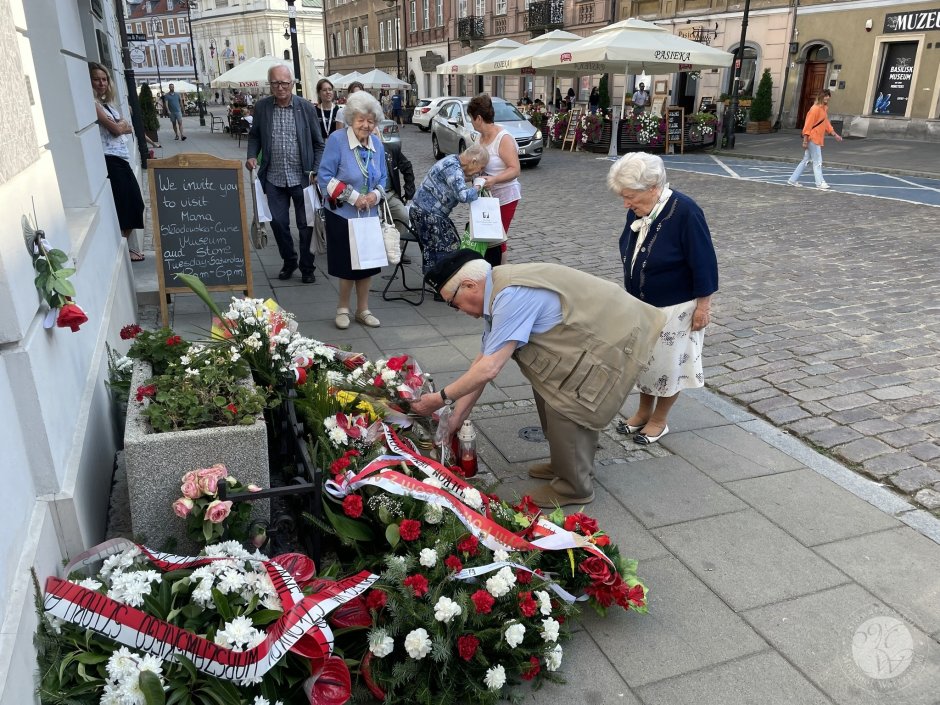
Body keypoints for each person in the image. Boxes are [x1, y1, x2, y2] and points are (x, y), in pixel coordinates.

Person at [412, 250, 666, 508]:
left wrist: (439, 399)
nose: (456, 310)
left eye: (452, 303)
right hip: (579, 340)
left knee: (569, 403)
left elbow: (489, 368)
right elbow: (482, 362)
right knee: (548, 389)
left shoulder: (509, 296)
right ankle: (565, 464)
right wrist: (455, 418)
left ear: (469, 285)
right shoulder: (497, 289)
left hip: (611, 336)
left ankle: (574, 486)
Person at [609, 152, 719, 445]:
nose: (626, 203)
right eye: (624, 196)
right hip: (643, 305)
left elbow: (704, 261)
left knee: (668, 367)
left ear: (653, 187)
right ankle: (643, 412)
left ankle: (659, 419)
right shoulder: (639, 210)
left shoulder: (686, 212)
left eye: (630, 196)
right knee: (645, 363)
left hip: (677, 307)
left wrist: (703, 306)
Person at [246, 63, 325, 283]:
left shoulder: (306, 108)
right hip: (274, 177)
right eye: (275, 83)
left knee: (305, 225)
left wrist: (316, 171)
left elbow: (319, 144)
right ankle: (289, 260)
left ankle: (307, 267)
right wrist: (252, 155)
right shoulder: (262, 107)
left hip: (302, 177)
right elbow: (254, 137)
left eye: (284, 83)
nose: (280, 87)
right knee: (278, 223)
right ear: (269, 84)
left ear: (291, 83)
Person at [317, 91, 389, 330]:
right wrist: (354, 197)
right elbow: (324, 177)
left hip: (368, 215)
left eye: (371, 121)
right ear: (351, 119)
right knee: (347, 266)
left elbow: (384, 178)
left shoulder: (377, 144)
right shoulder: (337, 140)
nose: (366, 125)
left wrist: (374, 195)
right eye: (361, 120)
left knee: (366, 265)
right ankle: (343, 309)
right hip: (342, 214)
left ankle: (363, 309)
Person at [90, 62, 146, 262]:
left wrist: (120, 125)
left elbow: (127, 126)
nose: (101, 83)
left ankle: (123, 247)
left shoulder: (107, 106)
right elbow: (116, 129)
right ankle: (121, 250)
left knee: (134, 204)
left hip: (121, 159)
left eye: (104, 79)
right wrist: (119, 126)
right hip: (110, 160)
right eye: (96, 79)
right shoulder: (93, 105)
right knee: (128, 204)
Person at [408, 143, 489, 278]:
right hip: (427, 215)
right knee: (449, 248)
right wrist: (478, 186)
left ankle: (436, 279)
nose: (479, 172)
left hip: (423, 212)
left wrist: (471, 179)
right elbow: (463, 196)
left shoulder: (452, 160)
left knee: (450, 244)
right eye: (480, 168)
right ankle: (440, 282)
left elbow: (456, 180)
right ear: (473, 161)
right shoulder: (453, 168)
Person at [467, 94, 521, 267]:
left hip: (505, 196)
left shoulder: (503, 138)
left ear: (479, 118)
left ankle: (500, 276)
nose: (471, 123)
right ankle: (490, 272)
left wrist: (495, 179)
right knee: (486, 236)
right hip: (485, 197)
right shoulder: (479, 138)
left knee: (498, 238)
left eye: (471, 119)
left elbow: (515, 169)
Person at [787, 89, 843, 190]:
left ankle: (792, 179)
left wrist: (835, 135)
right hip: (813, 138)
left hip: (816, 138)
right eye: (826, 96)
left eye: (828, 96)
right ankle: (820, 182)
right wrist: (805, 140)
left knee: (806, 160)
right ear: (821, 96)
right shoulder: (815, 109)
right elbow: (807, 126)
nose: (828, 98)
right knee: (818, 161)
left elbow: (826, 124)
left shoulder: (823, 109)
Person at [383, 140, 416, 242]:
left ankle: (398, 250)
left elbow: (407, 167)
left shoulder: (391, 149)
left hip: (390, 194)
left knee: (403, 216)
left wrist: (408, 192)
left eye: (375, 135)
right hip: (369, 197)